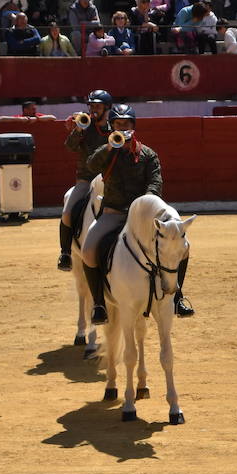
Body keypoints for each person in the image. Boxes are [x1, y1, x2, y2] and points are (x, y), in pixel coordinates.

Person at [80, 103, 194, 322]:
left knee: (184, 248)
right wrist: (109, 148)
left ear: (134, 126)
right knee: (88, 251)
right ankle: (99, 305)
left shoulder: (148, 155)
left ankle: (177, 296)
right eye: (117, 124)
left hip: (143, 218)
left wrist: (143, 208)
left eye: (126, 123)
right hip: (113, 213)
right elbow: (91, 166)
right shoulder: (107, 152)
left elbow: (155, 185)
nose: (122, 128)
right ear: (111, 126)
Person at [56, 88, 112, 271]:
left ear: (107, 108)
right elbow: (70, 147)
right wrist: (78, 129)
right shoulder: (84, 126)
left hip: (110, 180)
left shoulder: (115, 127)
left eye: (98, 106)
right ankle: (65, 253)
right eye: (91, 106)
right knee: (67, 212)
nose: (93, 110)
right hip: (86, 180)